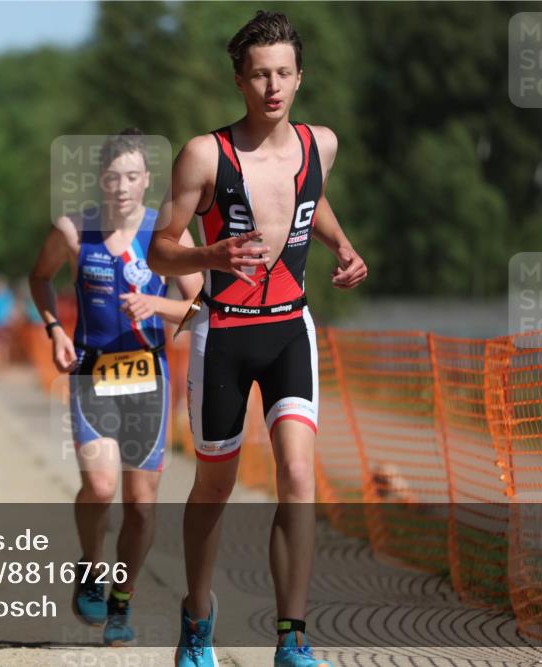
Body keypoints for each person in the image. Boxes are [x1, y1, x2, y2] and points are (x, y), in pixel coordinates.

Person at [146, 13, 368, 667]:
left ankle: (292, 634)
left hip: (290, 327)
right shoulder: (204, 153)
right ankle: (197, 617)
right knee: (215, 483)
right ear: (240, 79)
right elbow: (161, 251)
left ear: (299, 76)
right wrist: (210, 254)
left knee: (298, 474)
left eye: (284, 73)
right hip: (225, 331)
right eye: (260, 74)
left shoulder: (320, 143)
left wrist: (344, 246)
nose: (273, 86)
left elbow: (310, 198)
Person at [29, 129, 203, 646]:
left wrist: (160, 306)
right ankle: (90, 564)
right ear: (100, 180)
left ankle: (122, 603)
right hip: (93, 373)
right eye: (113, 177)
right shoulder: (73, 231)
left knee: (142, 504)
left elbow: (200, 308)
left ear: (147, 181)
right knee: (101, 487)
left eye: (133, 176)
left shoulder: (167, 235)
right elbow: (39, 278)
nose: (122, 187)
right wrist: (54, 330)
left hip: (148, 377)